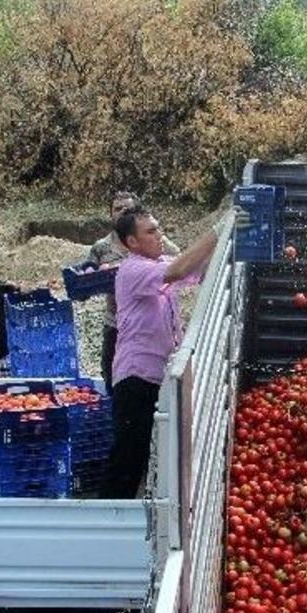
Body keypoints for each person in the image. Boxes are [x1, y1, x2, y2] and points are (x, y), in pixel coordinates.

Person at [105, 206, 226, 500]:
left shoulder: (158, 263)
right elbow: (179, 270)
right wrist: (218, 231)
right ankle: (109, 517)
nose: (159, 235)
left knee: (151, 455)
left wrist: (228, 243)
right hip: (137, 377)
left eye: (159, 228)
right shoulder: (133, 270)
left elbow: (196, 270)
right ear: (131, 242)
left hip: (157, 376)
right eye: (151, 231)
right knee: (128, 456)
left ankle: (128, 516)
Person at [86, 192, 181, 395]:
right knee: (114, 379)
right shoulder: (102, 247)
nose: (122, 212)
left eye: (127, 208)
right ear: (111, 214)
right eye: (117, 209)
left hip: (151, 327)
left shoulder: (156, 241)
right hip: (117, 321)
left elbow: (177, 263)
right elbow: (87, 275)